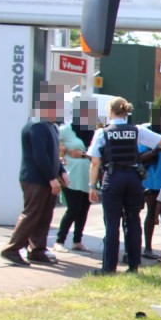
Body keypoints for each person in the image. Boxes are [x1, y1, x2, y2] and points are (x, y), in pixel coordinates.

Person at [86, 97, 161, 274]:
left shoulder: (103, 133)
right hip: (134, 178)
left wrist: (92, 186)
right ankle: (133, 265)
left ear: (110, 111)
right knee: (133, 221)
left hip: (113, 178)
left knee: (112, 223)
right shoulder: (137, 130)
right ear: (126, 112)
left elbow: (95, 162)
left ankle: (109, 267)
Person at [1, 86, 67, 266]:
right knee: (32, 214)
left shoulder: (50, 126)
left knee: (44, 215)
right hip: (35, 179)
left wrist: (61, 171)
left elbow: (52, 154)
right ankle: (12, 248)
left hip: (45, 179)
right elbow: (40, 155)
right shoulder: (36, 125)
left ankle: (37, 250)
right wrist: (52, 178)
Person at [54, 96, 99, 253]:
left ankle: (77, 241)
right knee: (73, 208)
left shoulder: (94, 132)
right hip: (71, 175)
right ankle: (59, 240)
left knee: (84, 209)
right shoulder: (67, 130)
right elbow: (53, 142)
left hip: (88, 176)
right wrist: (65, 151)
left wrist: (83, 155)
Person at [137, 105, 161, 261]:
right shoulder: (148, 133)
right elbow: (140, 157)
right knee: (151, 214)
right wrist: (156, 150)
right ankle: (147, 248)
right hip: (150, 181)